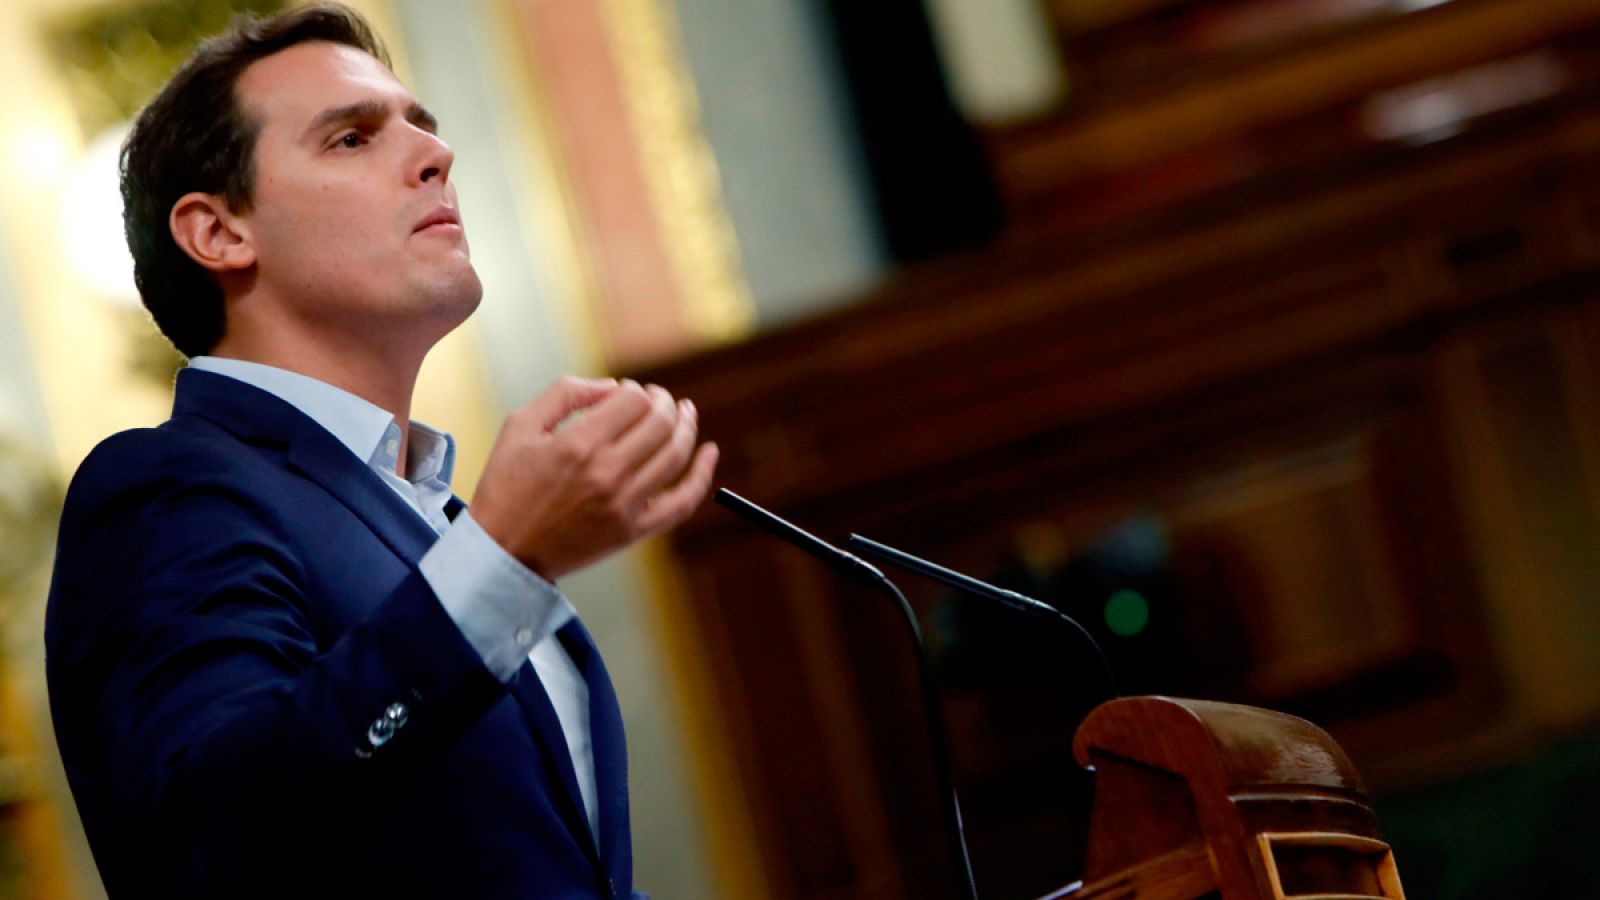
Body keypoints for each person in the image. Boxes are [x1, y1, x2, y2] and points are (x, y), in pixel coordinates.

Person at [44, 5, 717, 898]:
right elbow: (204, 843)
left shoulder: (435, 516)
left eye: (421, 127)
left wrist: (492, 556)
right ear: (219, 232)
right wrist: (506, 560)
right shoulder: (169, 487)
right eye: (353, 138)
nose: (434, 156)